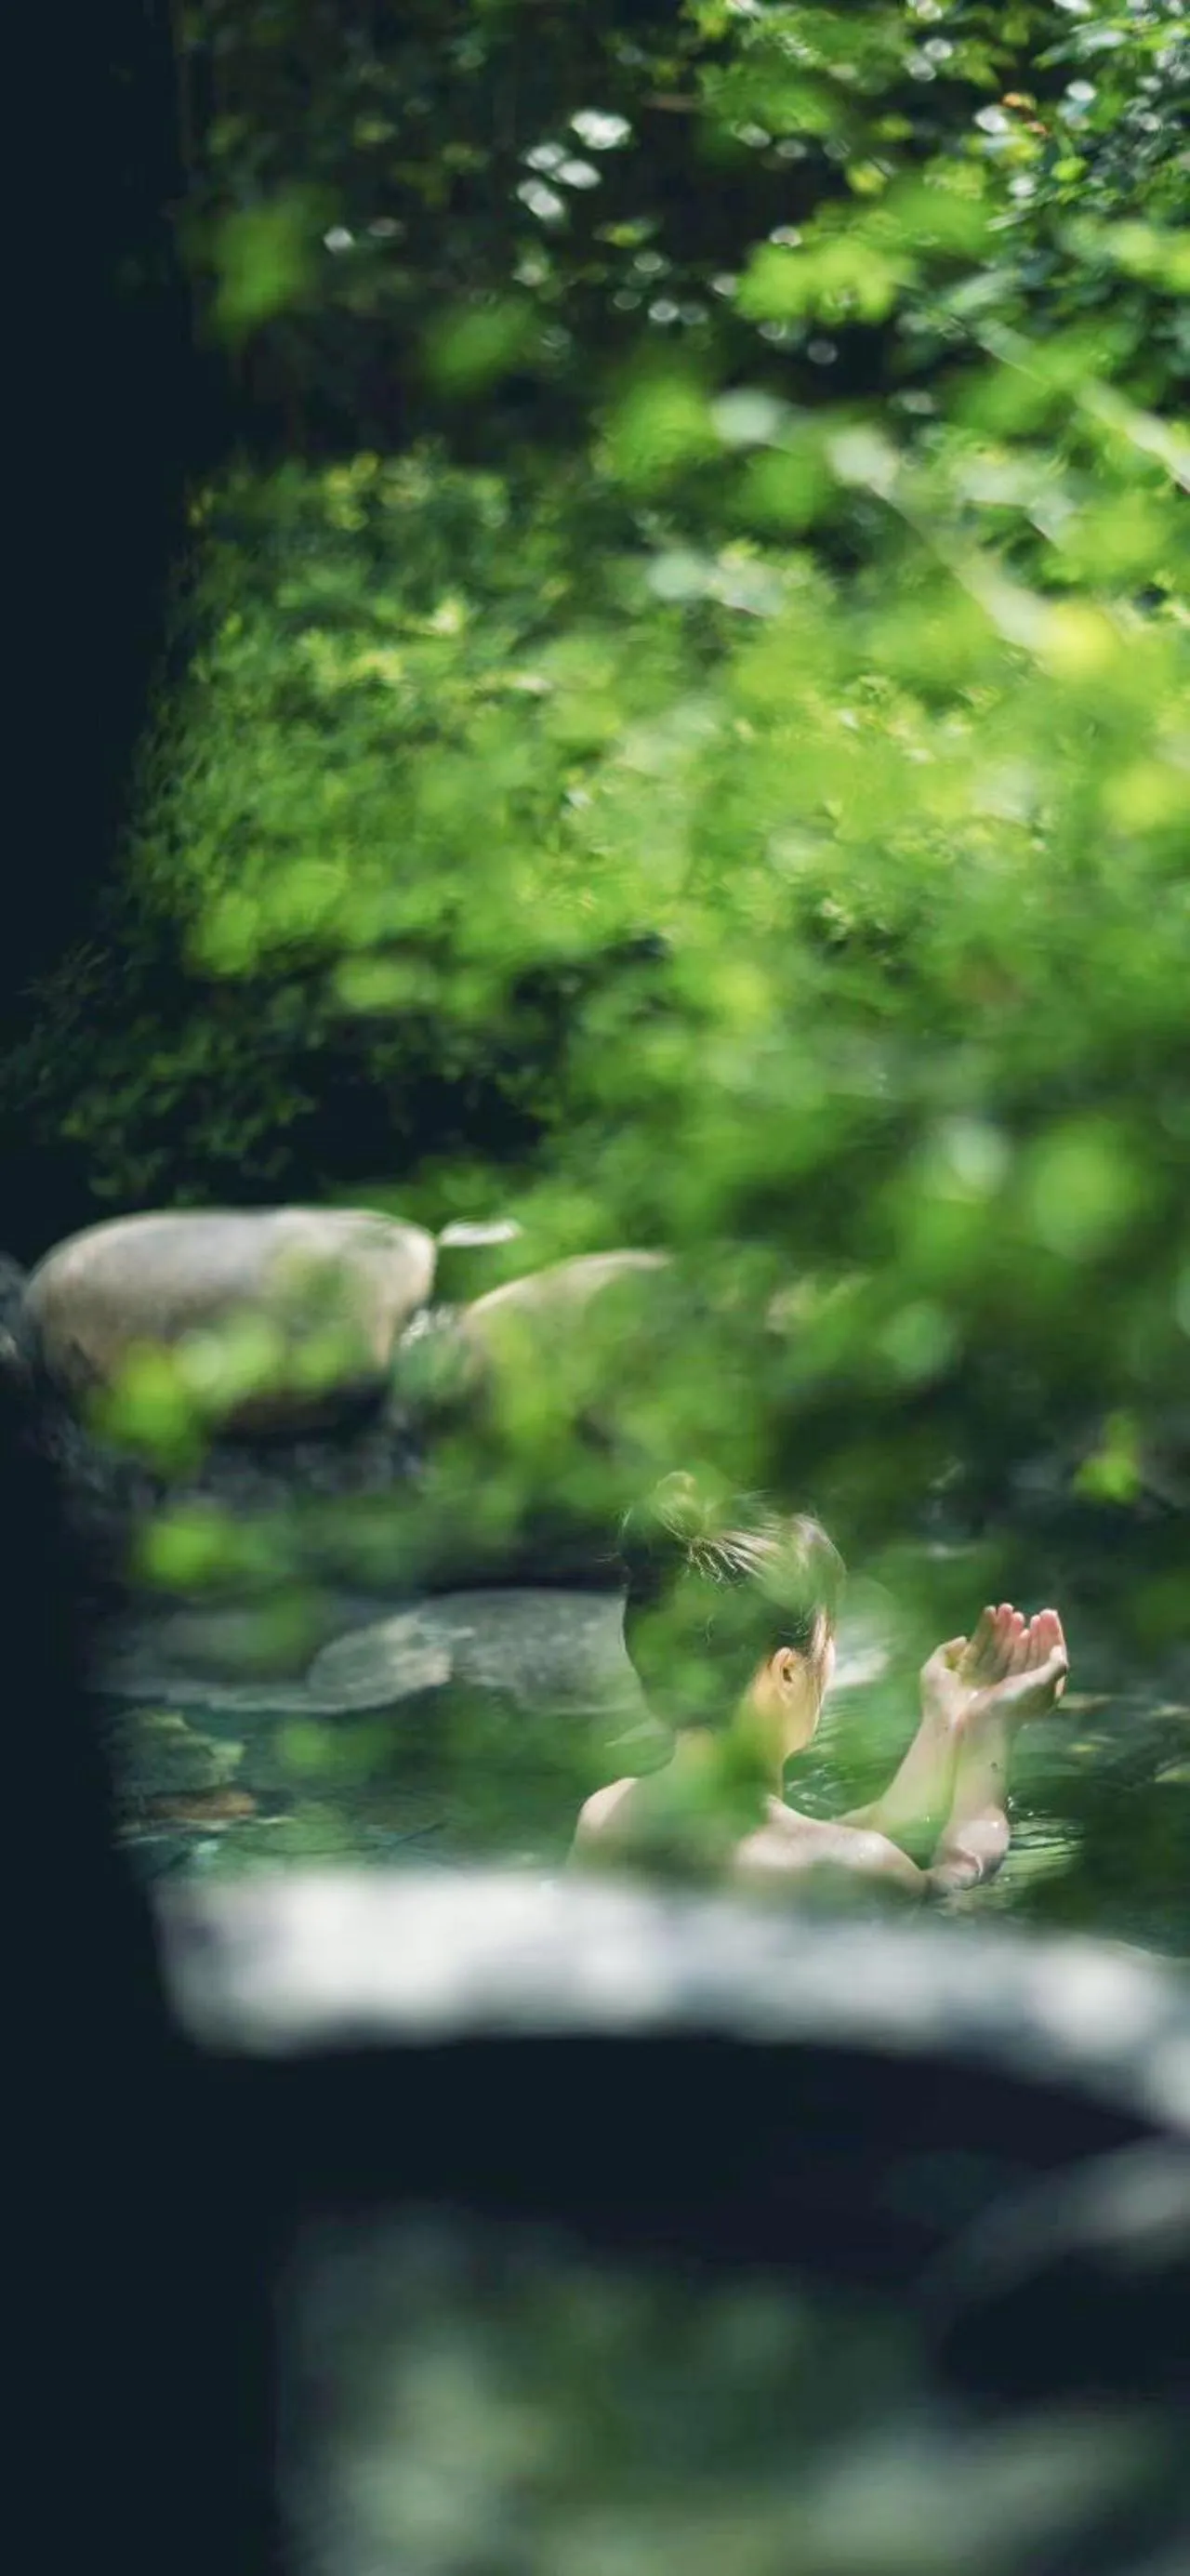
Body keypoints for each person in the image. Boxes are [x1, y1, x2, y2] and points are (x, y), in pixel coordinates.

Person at [571, 1474, 1068, 1900]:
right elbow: (958, 1893)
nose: (831, 1659)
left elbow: (813, 1842)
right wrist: (991, 1732)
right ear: (787, 1672)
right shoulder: (849, 1870)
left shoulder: (606, 1818)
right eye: (828, 1637)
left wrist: (946, 1720)